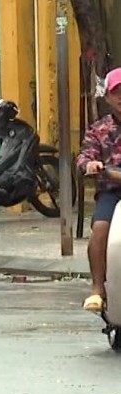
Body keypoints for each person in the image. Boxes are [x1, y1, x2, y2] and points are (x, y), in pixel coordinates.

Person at [76, 67, 121, 313]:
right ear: (108, 97)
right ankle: (97, 289)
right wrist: (90, 165)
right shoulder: (98, 130)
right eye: (117, 92)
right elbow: (84, 156)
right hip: (111, 191)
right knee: (100, 229)